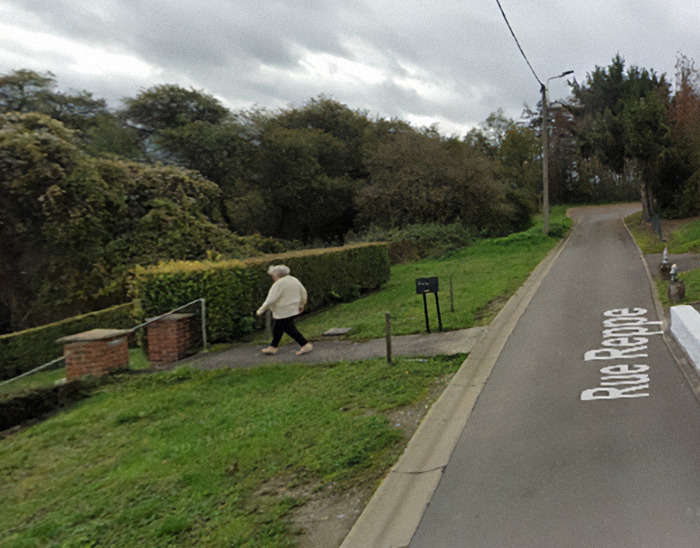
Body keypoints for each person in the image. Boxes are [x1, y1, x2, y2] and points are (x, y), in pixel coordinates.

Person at [256, 264, 313, 355]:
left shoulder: (278, 284)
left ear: (276, 275)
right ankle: (273, 346)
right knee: (278, 327)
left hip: (282, 311)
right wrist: (302, 304)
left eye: (273, 275)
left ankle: (305, 345)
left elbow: (271, 299)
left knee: (289, 329)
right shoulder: (294, 280)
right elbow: (303, 292)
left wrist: (261, 310)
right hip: (293, 308)